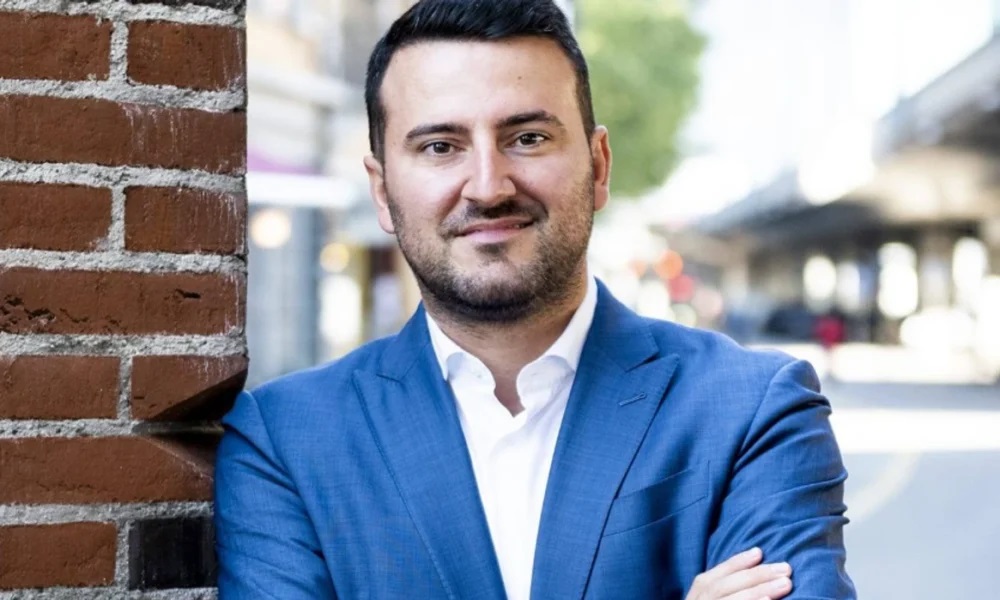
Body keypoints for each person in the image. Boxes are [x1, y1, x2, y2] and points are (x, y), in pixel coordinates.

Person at [214, 1, 855, 598]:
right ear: (382, 191)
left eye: (527, 138)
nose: (488, 187)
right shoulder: (284, 443)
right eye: (440, 147)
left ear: (599, 164)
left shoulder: (752, 410)